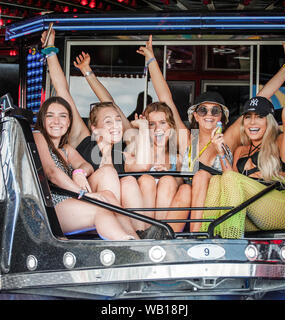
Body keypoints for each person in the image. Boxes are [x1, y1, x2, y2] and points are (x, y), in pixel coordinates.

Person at [139, 35, 285, 232]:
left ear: (222, 118)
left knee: (199, 178)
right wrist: (151, 60)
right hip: (187, 203)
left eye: (215, 111)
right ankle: (162, 238)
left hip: (218, 204)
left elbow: (261, 99)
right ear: (195, 116)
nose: (208, 115)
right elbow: (166, 99)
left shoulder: (229, 138)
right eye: (202, 110)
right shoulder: (188, 138)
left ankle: (196, 237)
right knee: (184, 187)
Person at [41, 29, 151, 233]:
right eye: (108, 122)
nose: (116, 125)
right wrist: (50, 51)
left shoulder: (123, 149)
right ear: (95, 128)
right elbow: (63, 91)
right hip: (87, 202)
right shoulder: (84, 139)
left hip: (113, 209)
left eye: (118, 120)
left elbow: (111, 105)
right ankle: (122, 231)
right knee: (108, 172)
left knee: (128, 182)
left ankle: (142, 234)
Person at [33, 96, 139, 240]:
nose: (57, 121)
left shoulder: (66, 149)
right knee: (102, 209)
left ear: (69, 121)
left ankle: (136, 240)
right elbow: (52, 173)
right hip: (51, 204)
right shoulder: (38, 136)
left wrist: (79, 172)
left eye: (62, 116)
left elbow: (86, 165)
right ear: (42, 120)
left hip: (71, 200)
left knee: (108, 196)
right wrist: (83, 193)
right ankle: (127, 246)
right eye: (50, 116)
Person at [200, 91, 285, 239]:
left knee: (230, 178)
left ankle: (231, 245)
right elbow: (229, 179)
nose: (252, 123)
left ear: (269, 121)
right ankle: (205, 241)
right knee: (216, 180)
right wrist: (220, 151)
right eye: (248, 117)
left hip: (281, 207)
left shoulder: (278, 140)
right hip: (253, 213)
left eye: (260, 117)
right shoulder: (241, 150)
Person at [124, 102, 191, 234]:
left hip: (166, 216)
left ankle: (159, 233)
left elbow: (181, 184)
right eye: (151, 124)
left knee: (168, 180)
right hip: (139, 220)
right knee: (147, 180)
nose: (157, 128)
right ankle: (145, 232)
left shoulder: (176, 158)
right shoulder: (135, 152)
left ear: (171, 127)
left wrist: (169, 175)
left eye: (162, 123)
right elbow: (128, 172)